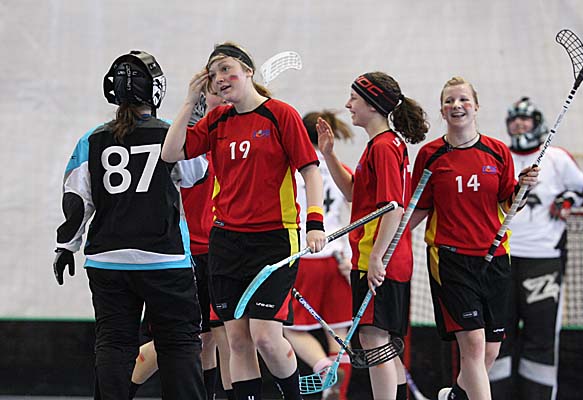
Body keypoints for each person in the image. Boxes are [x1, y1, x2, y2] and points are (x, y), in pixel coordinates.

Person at [161, 42, 327, 400]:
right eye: (213, 73)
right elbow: (170, 152)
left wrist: (315, 222)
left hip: (274, 240)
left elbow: (310, 171)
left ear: (248, 71)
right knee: (237, 340)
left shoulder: (280, 114)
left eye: (226, 68)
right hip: (226, 243)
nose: (220, 78)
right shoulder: (217, 121)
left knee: (265, 336)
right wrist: (189, 101)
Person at [52, 50, 206, 399]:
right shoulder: (168, 134)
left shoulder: (92, 139)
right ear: (156, 90)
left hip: (107, 261)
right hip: (164, 258)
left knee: (113, 344)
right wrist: (194, 125)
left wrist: (66, 245)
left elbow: (76, 199)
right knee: (178, 344)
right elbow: (196, 174)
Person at [409, 77, 539, 400]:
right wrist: (383, 248)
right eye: (449, 101)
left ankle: (454, 396)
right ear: (442, 110)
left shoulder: (497, 152)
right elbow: (418, 208)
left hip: (495, 259)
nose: (457, 106)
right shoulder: (430, 155)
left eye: (463, 99)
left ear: (476, 106)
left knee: (490, 351)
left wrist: (523, 188)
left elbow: (508, 204)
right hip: (450, 260)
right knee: (474, 346)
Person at [317, 72, 429, 400]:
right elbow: (355, 194)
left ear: (373, 104)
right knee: (382, 342)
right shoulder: (380, 146)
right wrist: (329, 154)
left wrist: (378, 257)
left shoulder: (383, 147)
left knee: (374, 341)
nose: (348, 104)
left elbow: (393, 208)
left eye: (354, 98)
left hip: (378, 258)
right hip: (379, 256)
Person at [129, 90, 235, 400]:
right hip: (189, 254)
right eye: (218, 93)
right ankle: (118, 389)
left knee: (211, 338)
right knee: (180, 339)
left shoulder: (230, 136)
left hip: (218, 251)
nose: (226, 99)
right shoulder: (186, 139)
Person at [489, 97, 583, 400]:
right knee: (497, 335)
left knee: (541, 336)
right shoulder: (500, 156)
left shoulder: (557, 158)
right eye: (514, 120)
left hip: (544, 260)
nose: (519, 125)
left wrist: (566, 201)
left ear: (537, 124)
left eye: (525, 119)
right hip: (502, 258)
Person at [283, 110, 354, 400]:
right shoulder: (340, 169)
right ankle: (337, 392)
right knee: (339, 334)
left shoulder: (294, 170)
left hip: (305, 257)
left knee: (289, 328)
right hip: (335, 258)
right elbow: (351, 212)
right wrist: (349, 256)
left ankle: (323, 369)